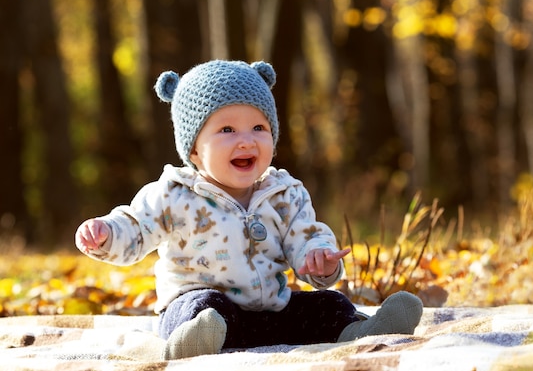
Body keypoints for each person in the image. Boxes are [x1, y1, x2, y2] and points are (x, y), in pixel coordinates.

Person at [75, 60, 423, 359]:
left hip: (270, 311)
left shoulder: (284, 193)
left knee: (327, 304)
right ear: (194, 150)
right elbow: (136, 227)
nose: (246, 139)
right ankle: (188, 345)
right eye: (226, 129)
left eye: (259, 128)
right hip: (204, 310)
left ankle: (361, 331)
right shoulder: (174, 194)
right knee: (203, 308)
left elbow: (305, 237)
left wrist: (318, 257)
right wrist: (106, 234)